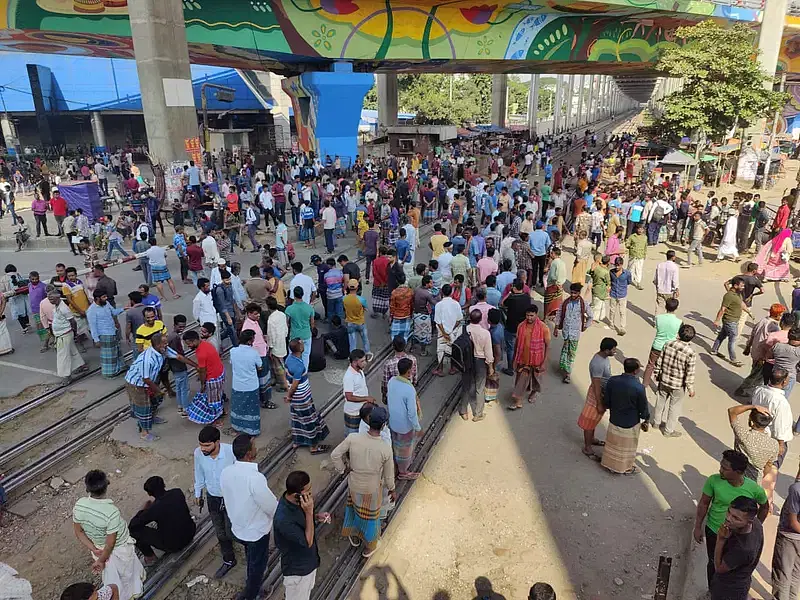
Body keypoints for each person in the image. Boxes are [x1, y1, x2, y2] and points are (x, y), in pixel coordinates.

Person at [693, 450, 768, 593]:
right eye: (721, 466)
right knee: (713, 563)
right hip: (714, 531)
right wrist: (697, 527)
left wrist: (755, 524)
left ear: (738, 472)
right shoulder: (713, 481)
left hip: (736, 538)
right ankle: (712, 590)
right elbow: (703, 503)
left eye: (725, 468)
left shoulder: (754, 489)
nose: (720, 470)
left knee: (728, 569)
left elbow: (765, 507)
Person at [331, 405, 396, 558]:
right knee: (371, 518)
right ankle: (369, 547)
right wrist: (392, 489)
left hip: (353, 484)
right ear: (383, 425)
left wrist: (343, 470)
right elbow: (388, 477)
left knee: (355, 510)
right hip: (372, 489)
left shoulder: (353, 438)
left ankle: (354, 536)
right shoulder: (385, 448)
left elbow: (335, 455)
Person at [220, 434, 279, 600]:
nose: (256, 448)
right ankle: (252, 595)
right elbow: (271, 506)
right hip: (256, 532)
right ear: (248, 454)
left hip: (238, 527)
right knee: (257, 567)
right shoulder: (255, 478)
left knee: (251, 558)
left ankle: (251, 587)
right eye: (254, 446)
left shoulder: (226, 472)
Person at [72, 470, 144, 600]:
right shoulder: (112, 512)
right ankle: (131, 593)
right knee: (126, 573)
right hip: (119, 547)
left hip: (99, 548)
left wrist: (94, 549)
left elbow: (79, 532)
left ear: (87, 488)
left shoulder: (79, 505)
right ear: (107, 485)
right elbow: (111, 543)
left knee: (112, 573)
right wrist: (101, 560)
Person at [273, 471, 330, 600]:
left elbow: (301, 523)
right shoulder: (283, 519)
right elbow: (307, 541)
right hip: (298, 571)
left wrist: (315, 517)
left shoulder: (297, 503)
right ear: (296, 494)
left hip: (309, 563)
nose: (311, 493)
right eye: (308, 490)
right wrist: (309, 512)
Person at [193, 425, 237, 579]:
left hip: (231, 498)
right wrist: (198, 493)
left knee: (232, 530)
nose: (203, 449)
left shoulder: (231, 452)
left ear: (217, 442)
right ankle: (229, 559)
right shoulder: (198, 453)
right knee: (220, 531)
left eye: (206, 445)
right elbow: (198, 473)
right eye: (201, 445)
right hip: (213, 497)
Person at [128, 476, 196, 566]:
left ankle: (150, 557)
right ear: (164, 485)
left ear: (149, 494)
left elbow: (133, 525)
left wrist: (143, 510)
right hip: (190, 532)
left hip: (174, 545)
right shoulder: (177, 492)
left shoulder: (154, 509)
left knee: (134, 532)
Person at [751, 367, 793, 508]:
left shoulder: (759, 390)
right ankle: (764, 502)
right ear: (785, 381)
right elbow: (781, 428)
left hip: (758, 433)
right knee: (770, 472)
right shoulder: (781, 402)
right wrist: (781, 445)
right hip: (773, 440)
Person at [600, 358, 650, 475]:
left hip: (615, 418)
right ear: (636, 371)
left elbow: (607, 399)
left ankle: (608, 463)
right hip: (630, 421)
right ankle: (626, 467)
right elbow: (643, 407)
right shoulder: (639, 387)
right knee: (627, 448)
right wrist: (646, 418)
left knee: (613, 443)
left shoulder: (613, 380)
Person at [709, 496, 764, 600]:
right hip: (742, 582)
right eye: (729, 512)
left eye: (736, 518)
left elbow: (718, 568)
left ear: (749, 522)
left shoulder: (743, 549)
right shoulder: (757, 524)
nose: (728, 518)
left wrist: (720, 540)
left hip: (729, 590)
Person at [284, 338, 330, 454]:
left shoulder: (289, 359)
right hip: (302, 398)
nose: (304, 345)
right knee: (309, 420)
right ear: (299, 349)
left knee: (297, 418)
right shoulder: (298, 367)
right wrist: (289, 395)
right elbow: (295, 384)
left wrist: (288, 392)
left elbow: (285, 377)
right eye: (302, 344)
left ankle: (298, 440)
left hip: (296, 398)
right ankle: (313, 446)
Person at [652, 324, 697, 437]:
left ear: (678, 333)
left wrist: (657, 373)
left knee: (660, 401)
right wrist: (690, 388)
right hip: (678, 384)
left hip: (664, 379)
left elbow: (660, 360)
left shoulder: (668, 344)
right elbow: (690, 373)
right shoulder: (690, 352)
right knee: (674, 407)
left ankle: (656, 423)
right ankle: (668, 430)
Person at [577, 337, 617, 459]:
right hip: (596, 394)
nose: (615, 351)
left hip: (601, 392)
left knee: (594, 420)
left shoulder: (603, 358)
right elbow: (596, 383)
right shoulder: (598, 364)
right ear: (606, 350)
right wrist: (599, 403)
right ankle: (587, 447)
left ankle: (592, 440)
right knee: (589, 421)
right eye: (613, 349)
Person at [387, 357, 422, 479]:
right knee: (405, 450)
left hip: (392, 421)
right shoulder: (409, 389)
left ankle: (396, 465)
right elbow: (412, 413)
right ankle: (403, 472)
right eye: (411, 370)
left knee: (396, 445)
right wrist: (417, 427)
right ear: (408, 372)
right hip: (404, 426)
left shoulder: (391, 381)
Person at [510, 305, 550, 409]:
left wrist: (544, 362)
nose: (529, 318)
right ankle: (518, 401)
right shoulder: (521, 326)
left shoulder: (543, 327)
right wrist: (514, 358)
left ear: (536, 315)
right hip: (523, 360)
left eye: (531, 315)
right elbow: (517, 343)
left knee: (536, 379)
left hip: (537, 360)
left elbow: (547, 345)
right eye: (527, 315)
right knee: (520, 381)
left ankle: (533, 392)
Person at [183, 329, 226, 426]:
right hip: (219, 373)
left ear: (194, 341)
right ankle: (222, 412)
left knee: (213, 400)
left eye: (188, 343)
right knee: (218, 396)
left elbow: (202, 371)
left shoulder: (201, 353)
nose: (188, 346)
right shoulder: (206, 344)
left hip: (212, 378)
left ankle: (216, 420)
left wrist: (203, 384)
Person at [727, 404, 778, 482]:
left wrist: (753, 406)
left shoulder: (742, 434)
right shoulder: (774, 444)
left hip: (735, 477)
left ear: (752, 420)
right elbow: (768, 465)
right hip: (754, 482)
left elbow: (732, 411)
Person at [228, 329, 266, 436]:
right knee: (251, 409)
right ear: (250, 341)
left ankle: (237, 427)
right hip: (251, 385)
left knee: (238, 407)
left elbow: (232, 363)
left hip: (238, 385)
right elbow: (260, 366)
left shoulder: (233, 351)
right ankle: (252, 430)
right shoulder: (254, 353)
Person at [554, 283, 593, 384]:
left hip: (575, 333)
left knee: (571, 353)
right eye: (571, 292)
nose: (573, 295)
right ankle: (564, 367)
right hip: (566, 331)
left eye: (575, 293)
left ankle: (568, 374)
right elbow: (559, 313)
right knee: (565, 350)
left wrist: (585, 326)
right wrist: (556, 326)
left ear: (579, 293)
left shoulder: (583, 303)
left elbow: (591, 316)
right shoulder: (566, 302)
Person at [772, 460, 800, 600]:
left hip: (789, 536)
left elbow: (793, 522)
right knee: (796, 575)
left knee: (782, 575)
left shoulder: (796, 489)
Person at [643, 298, 682, 389]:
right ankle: (660, 387)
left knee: (650, 365)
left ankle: (644, 384)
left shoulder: (658, 318)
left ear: (665, 306)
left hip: (657, 345)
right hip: (670, 347)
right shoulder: (679, 322)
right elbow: (679, 335)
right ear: (676, 308)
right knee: (665, 368)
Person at [463, 308, 494, 422]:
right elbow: (489, 353)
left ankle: (464, 410)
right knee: (480, 387)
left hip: (467, 360)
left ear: (470, 318)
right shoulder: (485, 333)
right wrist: (490, 367)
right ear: (481, 319)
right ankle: (478, 414)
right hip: (480, 361)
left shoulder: (465, 329)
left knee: (467, 384)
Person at [711, 276, 749, 368]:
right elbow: (722, 309)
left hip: (732, 321)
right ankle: (733, 359)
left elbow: (741, 304)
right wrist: (717, 320)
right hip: (730, 321)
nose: (743, 287)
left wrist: (749, 312)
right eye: (742, 286)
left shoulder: (737, 294)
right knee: (732, 339)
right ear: (735, 285)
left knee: (722, 335)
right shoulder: (729, 296)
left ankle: (714, 350)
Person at [86, 290, 125, 378]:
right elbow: (93, 327)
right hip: (105, 334)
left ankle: (119, 368)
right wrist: (96, 340)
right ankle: (109, 373)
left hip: (113, 331)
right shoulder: (91, 311)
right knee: (109, 355)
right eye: (103, 297)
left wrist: (124, 309)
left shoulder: (106, 303)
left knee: (117, 351)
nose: (106, 298)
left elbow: (113, 312)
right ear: (97, 298)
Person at [50, 291, 88, 381]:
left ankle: (66, 375)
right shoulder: (56, 306)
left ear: (57, 298)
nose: (50, 301)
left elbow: (73, 322)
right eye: (49, 298)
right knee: (72, 350)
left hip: (64, 334)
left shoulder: (64, 308)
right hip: (62, 334)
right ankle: (80, 365)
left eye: (51, 299)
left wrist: (75, 333)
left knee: (62, 355)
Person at [343, 349, 375, 434]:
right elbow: (349, 397)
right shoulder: (349, 376)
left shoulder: (359, 370)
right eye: (362, 361)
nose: (365, 363)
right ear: (354, 362)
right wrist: (366, 398)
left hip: (361, 410)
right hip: (353, 413)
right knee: (352, 435)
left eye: (365, 360)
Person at [433, 284, 462, 376]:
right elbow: (459, 320)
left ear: (442, 292)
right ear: (451, 292)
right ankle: (453, 368)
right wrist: (451, 330)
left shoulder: (439, 305)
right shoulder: (456, 304)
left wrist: (444, 332)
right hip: (453, 331)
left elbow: (438, 321)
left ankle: (440, 369)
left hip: (442, 332)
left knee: (441, 349)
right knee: (452, 348)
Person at [285, 286, 315, 369]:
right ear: (303, 294)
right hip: (306, 334)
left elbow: (286, 324)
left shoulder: (289, 309)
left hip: (294, 335)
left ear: (293, 295)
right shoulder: (309, 308)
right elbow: (312, 323)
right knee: (305, 355)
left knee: (292, 354)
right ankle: (304, 372)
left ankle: (292, 370)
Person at [343, 279, 370, 356]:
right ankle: (367, 352)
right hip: (360, 322)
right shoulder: (361, 299)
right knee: (365, 339)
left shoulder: (344, 299)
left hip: (350, 323)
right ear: (357, 287)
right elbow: (366, 308)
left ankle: (352, 356)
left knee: (352, 342)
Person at [608, 256, 632, 335]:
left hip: (622, 295)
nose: (617, 267)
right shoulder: (611, 272)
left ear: (622, 265)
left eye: (619, 265)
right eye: (616, 265)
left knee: (622, 312)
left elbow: (629, 282)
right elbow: (610, 281)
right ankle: (611, 323)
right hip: (613, 293)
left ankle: (622, 327)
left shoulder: (627, 273)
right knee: (612, 310)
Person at [389, 272, 414, 343]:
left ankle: (396, 347)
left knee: (395, 334)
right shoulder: (410, 291)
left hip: (397, 316)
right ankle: (403, 347)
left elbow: (392, 306)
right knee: (405, 334)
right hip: (407, 315)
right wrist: (411, 313)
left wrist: (391, 316)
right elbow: (412, 304)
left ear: (397, 281)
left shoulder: (394, 292)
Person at [653, 250, 679, 315]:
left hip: (660, 290)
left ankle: (657, 322)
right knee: (670, 308)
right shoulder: (674, 267)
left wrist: (657, 286)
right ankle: (669, 322)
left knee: (660, 307)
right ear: (673, 257)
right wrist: (677, 289)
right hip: (669, 291)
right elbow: (675, 280)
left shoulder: (660, 265)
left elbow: (655, 278)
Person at [624, 223, 647, 289]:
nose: (640, 230)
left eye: (641, 229)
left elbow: (645, 247)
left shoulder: (645, 237)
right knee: (630, 268)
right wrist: (631, 247)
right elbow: (627, 244)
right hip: (633, 255)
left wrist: (644, 254)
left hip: (640, 256)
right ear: (636, 229)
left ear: (643, 230)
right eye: (639, 229)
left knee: (639, 270)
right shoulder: (632, 236)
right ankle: (628, 281)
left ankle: (638, 283)